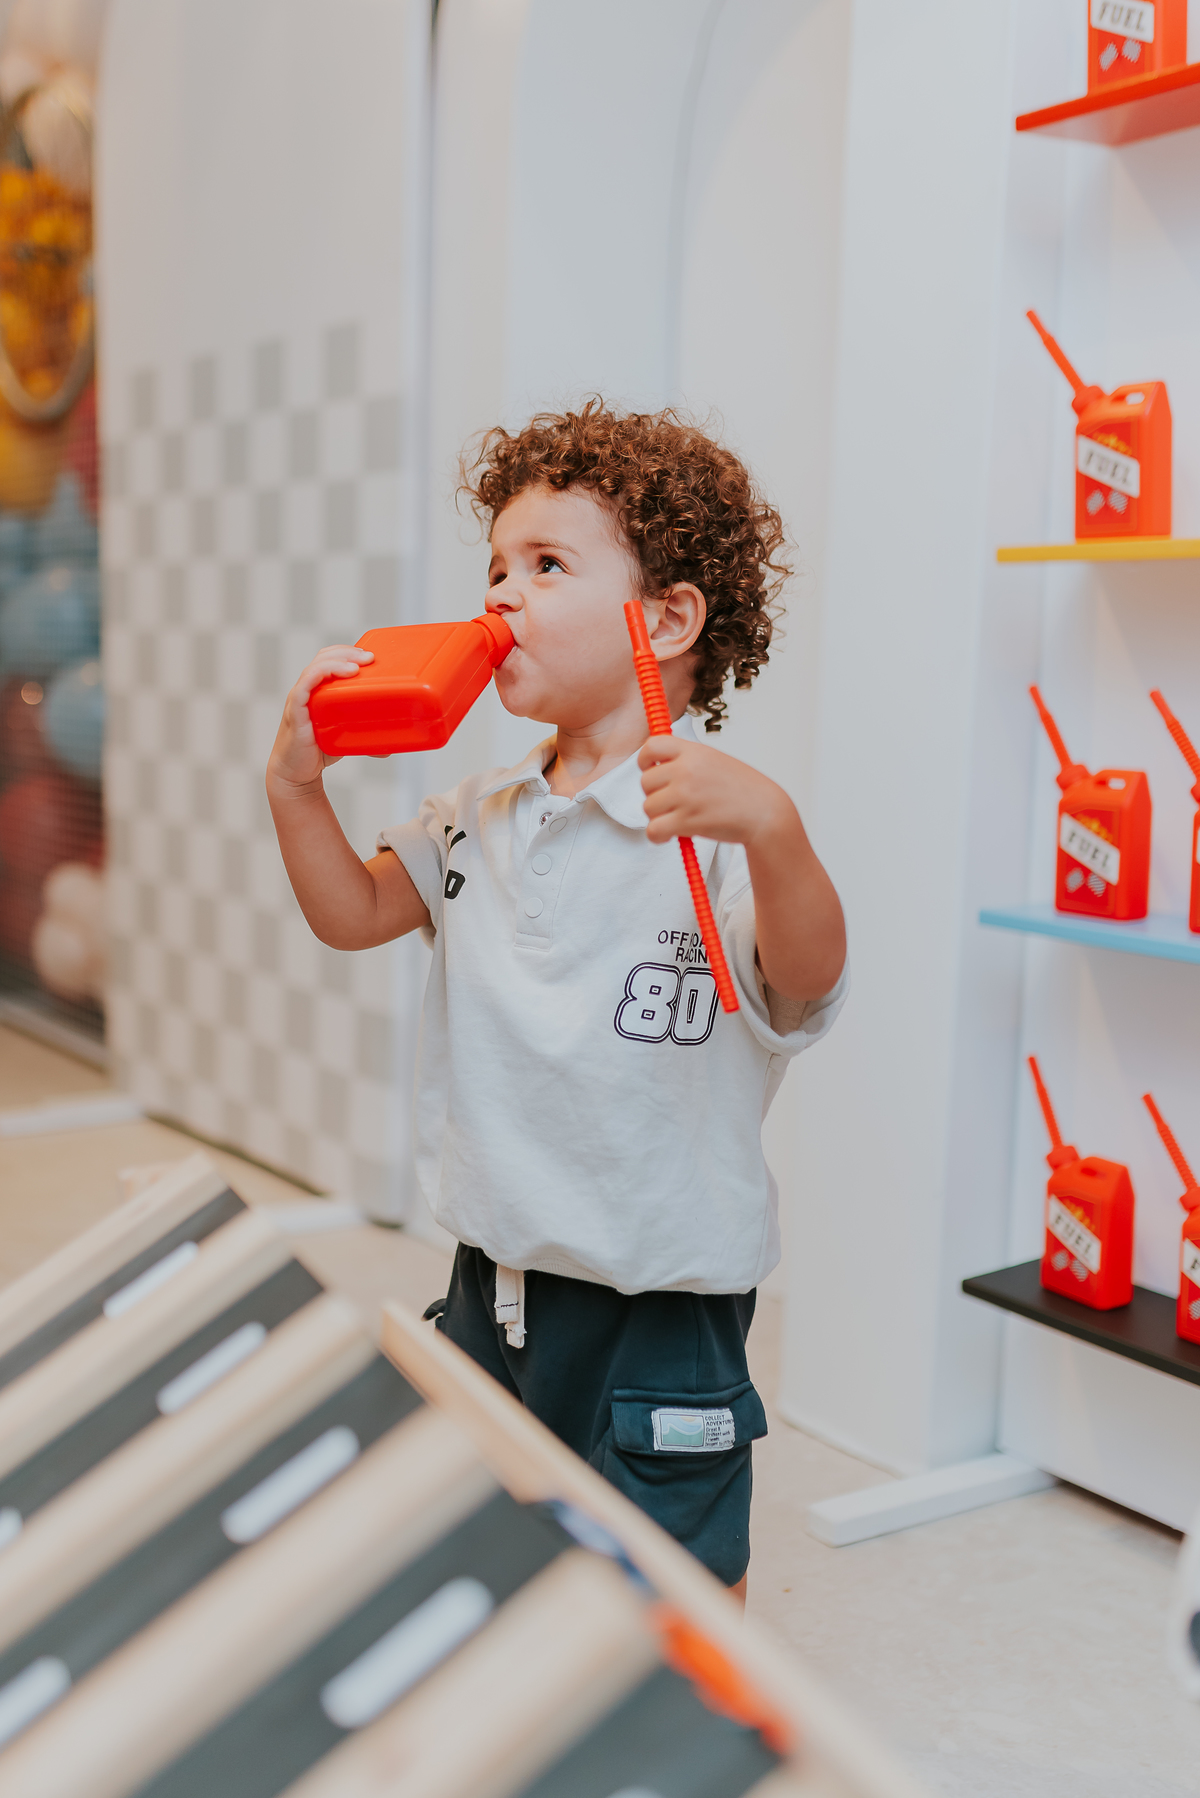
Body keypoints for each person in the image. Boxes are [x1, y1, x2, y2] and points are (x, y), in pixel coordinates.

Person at [266, 402, 847, 1602]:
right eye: (494, 567)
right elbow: (354, 912)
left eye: (545, 567)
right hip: (500, 1269)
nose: (501, 598)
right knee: (494, 1532)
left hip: (662, 1298)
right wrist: (293, 787)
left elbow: (806, 977)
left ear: (669, 618)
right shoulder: (480, 806)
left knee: (675, 1572)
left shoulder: (723, 821)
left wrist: (776, 829)